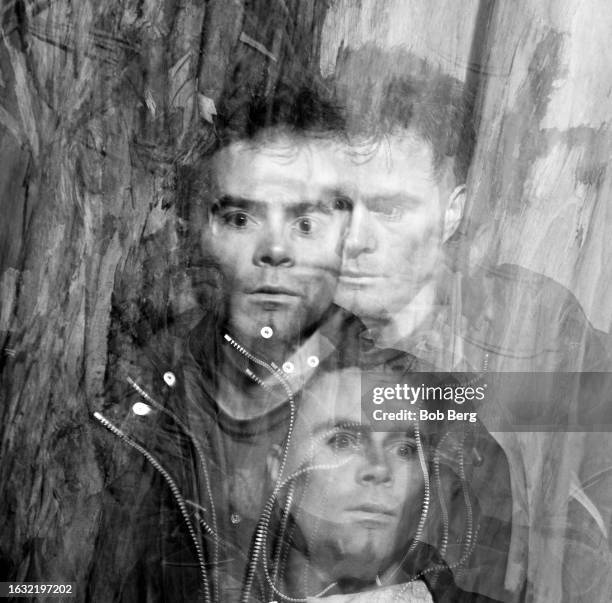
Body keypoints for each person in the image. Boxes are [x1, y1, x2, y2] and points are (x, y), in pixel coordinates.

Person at [326, 46, 612, 602]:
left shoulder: (537, 329)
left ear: (452, 211)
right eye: (338, 203)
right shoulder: (285, 346)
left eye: (388, 209)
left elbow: (595, 525)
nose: (353, 239)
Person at [248, 367, 505, 602]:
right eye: (342, 442)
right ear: (279, 470)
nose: (379, 468)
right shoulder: (222, 588)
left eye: (404, 450)